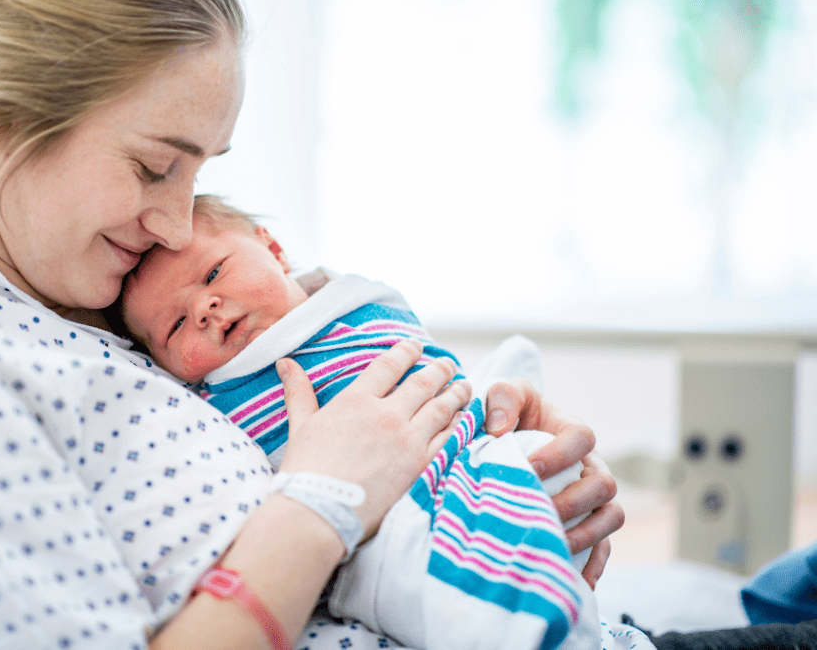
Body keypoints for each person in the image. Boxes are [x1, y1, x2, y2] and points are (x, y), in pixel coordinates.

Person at [0, 0, 623, 649]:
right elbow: (317, 491)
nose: (175, 225)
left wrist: (487, 458)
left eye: (198, 175)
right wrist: (323, 500)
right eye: (153, 166)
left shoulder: (64, 317)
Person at [119, 195, 655, 650]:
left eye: (213, 273)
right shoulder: (214, 399)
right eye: (175, 326)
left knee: (538, 451)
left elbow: (430, 360)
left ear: (274, 247)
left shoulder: (346, 302)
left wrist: (501, 410)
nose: (206, 308)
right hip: (400, 516)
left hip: (474, 444)